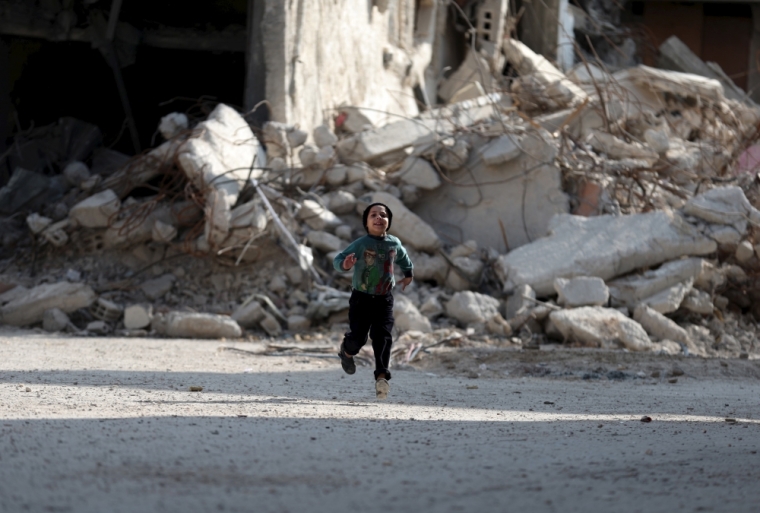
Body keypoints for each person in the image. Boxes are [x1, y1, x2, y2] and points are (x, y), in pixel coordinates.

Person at [333, 202, 414, 400]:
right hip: (361, 299)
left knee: (383, 336)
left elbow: (403, 258)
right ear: (367, 222)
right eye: (374, 215)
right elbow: (338, 259)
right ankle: (347, 352)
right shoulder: (360, 244)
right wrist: (345, 264)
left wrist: (408, 273)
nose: (379, 218)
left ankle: (381, 376)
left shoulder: (394, 243)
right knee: (358, 338)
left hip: (384, 300)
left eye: (383, 215)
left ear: (388, 221)